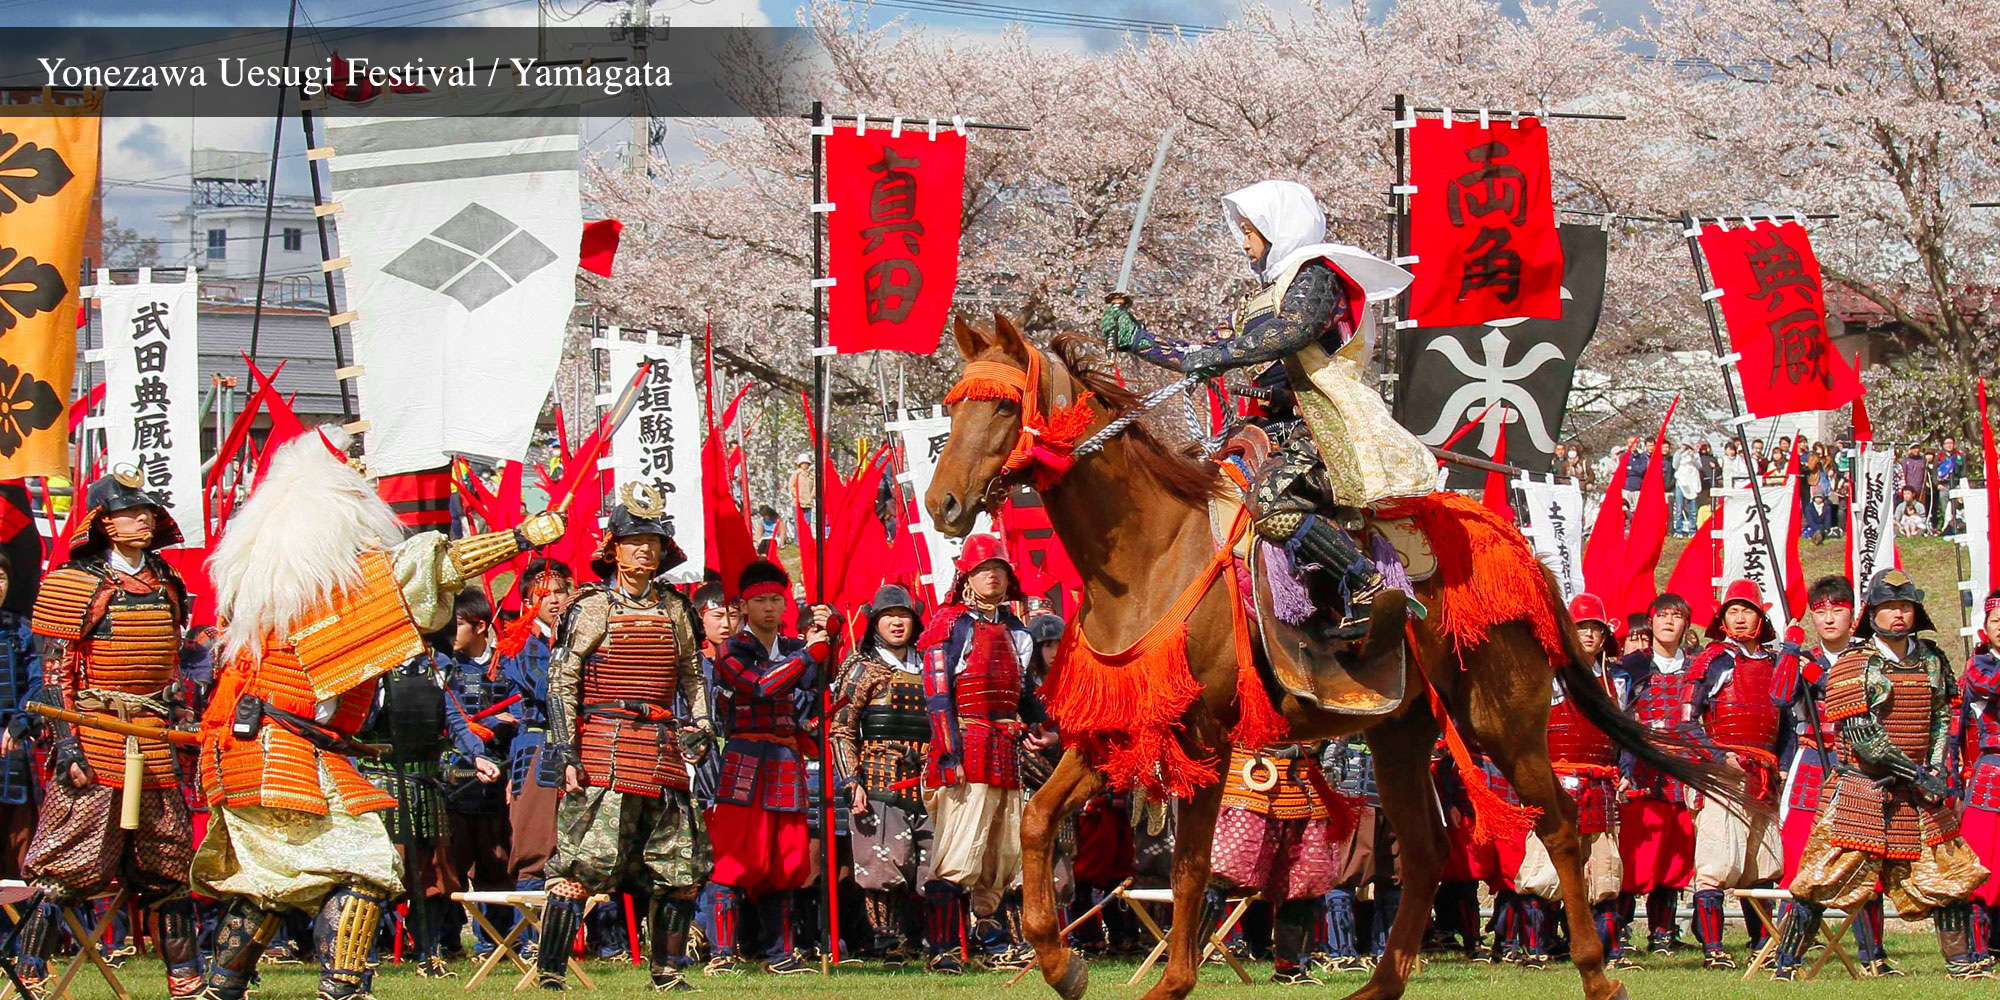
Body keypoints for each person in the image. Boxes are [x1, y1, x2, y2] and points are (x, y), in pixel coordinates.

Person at [191, 430, 562, 1000]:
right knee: (364, 864)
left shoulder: (283, 581)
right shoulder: (326, 582)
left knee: (275, 882)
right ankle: (342, 988)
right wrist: (518, 536)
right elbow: (430, 570)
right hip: (277, 748)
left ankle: (223, 985)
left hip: (273, 745)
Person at [1104, 178, 1428, 638]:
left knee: (1273, 504)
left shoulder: (1316, 274)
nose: (1244, 244)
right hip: (1267, 427)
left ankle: (1368, 586)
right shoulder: (1264, 293)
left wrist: (1207, 357)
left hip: (1318, 425)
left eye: (1251, 232)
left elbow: (1289, 333)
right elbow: (1216, 350)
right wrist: (1143, 342)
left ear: (1279, 228)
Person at [14, 472, 199, 997]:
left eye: (147, 511)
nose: (143, 519)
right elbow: (55, 675)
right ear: (103, 523)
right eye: (129, 512)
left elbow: (173, 667)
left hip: (154, 734)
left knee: (168, 858)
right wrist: (66, 743)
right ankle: (29, 969)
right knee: (69, 856)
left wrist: (181, 715)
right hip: (94, 734)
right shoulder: (74, 582)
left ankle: (185, 977)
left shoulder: (166, 580)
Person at [536, 492, 712, 992]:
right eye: (634, 541)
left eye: (653, 542)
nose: (645, 551)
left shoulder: (677, 608)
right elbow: (562, 680)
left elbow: (691, 675)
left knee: (679, 864)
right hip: (603, 748)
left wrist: (700, 723)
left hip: (662, 749)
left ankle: (668, 973)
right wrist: (567, 749)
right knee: (582, 863)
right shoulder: (590, 607)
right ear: (614, 549)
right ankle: (551, 973)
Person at [1785, 569, 1991, 978]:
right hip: (1863, 787)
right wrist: (1918, 774)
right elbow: (1863, 737)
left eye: (1905, 606)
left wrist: (1936, 767)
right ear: (1872, 613)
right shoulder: (1854, 663)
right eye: (1889, 607)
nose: (1898, 614)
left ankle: (1962, 964)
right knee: (1823, 876)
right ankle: (1786, 962)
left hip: (1918, 789)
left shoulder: (1932, 659)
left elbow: (1940, 720)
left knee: (1948, 874)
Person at [919, 535, 1045, 970]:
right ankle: (942, 950)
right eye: (982, 569)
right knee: (959, 849)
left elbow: (1026, 695)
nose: (993, 575)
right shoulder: (948, 624)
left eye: (1000, 568)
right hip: (967, 744)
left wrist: (1051, 728)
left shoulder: (1016, 630)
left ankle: (990, 941)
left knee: (1000, 852)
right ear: (967, 577)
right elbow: (937, 696)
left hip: (1006, 748)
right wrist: (947, 754)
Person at [356, 614, 497, 978]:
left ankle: (428, 954)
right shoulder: (371, 668)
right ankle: (360, 955)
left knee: (434, 877)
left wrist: (477, 754)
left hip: (427, 782)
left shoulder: (439, 666)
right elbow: (356, 722)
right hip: (380, 779)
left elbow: (455, 719)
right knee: (373, 873)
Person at [707, 559, 829, 976]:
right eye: (761, 601)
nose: (770, 608)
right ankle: (723, 953)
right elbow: (759, 686)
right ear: (743, 606)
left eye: (777, 599)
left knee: (786, 859)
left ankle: (781, 954)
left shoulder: (796, 648)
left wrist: (824, 641)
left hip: (785, 760)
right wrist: (806, 657)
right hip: (745, 759)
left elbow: (817, 689)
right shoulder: (731, 650)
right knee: (735, 857)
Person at [829, 585, 938, 967]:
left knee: (933, 863)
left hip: (929, 779)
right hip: (879, 778)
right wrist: (850, 781)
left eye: (903, 615)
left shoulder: (932, 666)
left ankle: (932, 944)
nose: (896, 622)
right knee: (883, 865)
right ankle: (887, 943)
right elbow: (841, 728)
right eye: (888, 615)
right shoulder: (860, 668)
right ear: (875, 622)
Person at [1519, 594, 1629, 968]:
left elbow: (1626, 734)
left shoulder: (1617, 682)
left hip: (1601, 783)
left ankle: (1609, 952)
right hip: (1556, 781)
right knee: (1543, 871)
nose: (1589, 634)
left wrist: (1625, 770)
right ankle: (1536, 948)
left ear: (1604, 636)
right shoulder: (1547, 676)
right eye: (1582, 627)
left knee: (1604, 873)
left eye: (1596, 628)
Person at [1685, 581, 1786, 969]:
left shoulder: (1775, 663)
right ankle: (1713, 950)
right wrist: (1715, 755)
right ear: (1722, 618)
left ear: (1761, 617)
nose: (1740, 617)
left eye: (1748, 610)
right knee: (1716, 861)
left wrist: (1784, 767)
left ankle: (1762, 944)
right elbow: (1686, 721)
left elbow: (1786, 724)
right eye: (1733, 611)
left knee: (1763, 863)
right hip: (1721, 775)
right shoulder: (1711, 661)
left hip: (1764, 774)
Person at [1614, 593, 1702, 957]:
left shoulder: (1699, 667)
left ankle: (1663, 933)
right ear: (1649, 622)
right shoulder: (1628, 668)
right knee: (1633, 860)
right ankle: (1618, 932)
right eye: (1661, 615)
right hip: (1640, 776)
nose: (1668, 622)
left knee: (1674, 860)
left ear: (1686, 623)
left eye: (1676, 616)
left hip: (1680, 777)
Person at [1212, 740, 1338, 984]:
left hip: (1303, 781)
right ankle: (1186, 960)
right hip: (1248, 774)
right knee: (1221, 874)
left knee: (1302, 882)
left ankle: (1289, 968)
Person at [496, 558, 574, 947]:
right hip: (539, 745)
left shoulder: (584, 636)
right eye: (543, 594)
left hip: (579, 744)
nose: (555, 600)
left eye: (561, 591)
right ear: (528, 602)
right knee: (534, 844)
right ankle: (529, 941)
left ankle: (581, 940)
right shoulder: (521, 644)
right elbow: (547, 689)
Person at [438, 588, 518, 960]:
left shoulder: (510, 664)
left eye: (456, 624)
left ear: (480, 625)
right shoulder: (442, 666)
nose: (450, 632)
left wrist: (510, 724)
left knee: (496, 863)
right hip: (453, 780)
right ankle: (448, 943)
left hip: (497, 780)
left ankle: (496, 944)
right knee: (450, 867)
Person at [1960, 589, 2000, 970]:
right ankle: (1979, 949)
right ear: (1985, 628)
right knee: (1982, 867)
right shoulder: (1979, 667)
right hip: (1990, 775)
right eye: (1997, 620)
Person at [0, 551, 41, 877]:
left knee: (19, 854)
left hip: (11, 750)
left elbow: (38, 684)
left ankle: (17, 926)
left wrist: (21, 722)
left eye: (1, 578)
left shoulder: (20, 631)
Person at [1673, 443, 1701, 536]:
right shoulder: (1678, 454)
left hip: (1691, 484)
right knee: (1679, 508)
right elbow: (1675, 465)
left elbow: (1699, 466)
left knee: (1692, 509)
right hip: (1681, 483)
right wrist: (1680, 452)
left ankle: (1692, 530)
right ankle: (1678, 530)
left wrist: (1693, 457)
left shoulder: (1695, 455)